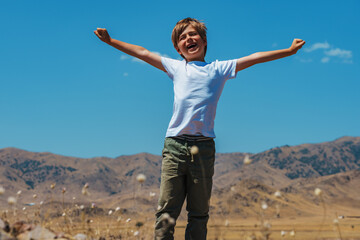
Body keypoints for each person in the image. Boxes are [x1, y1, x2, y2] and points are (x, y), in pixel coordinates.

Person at [94, 17, 305, 240]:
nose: (188, 39)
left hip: (204, 149)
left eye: (192, 34)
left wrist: (288, 51)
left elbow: (254, 58)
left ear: (204, 41)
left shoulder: (219, 69)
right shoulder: (176, 68)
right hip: (175, 145)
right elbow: (143, 52)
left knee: (199, 213)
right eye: (182, 38)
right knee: (167, 211)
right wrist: (111, 41)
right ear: (178, 49)